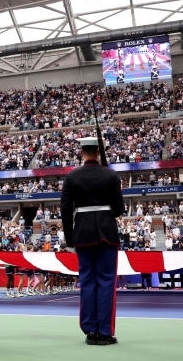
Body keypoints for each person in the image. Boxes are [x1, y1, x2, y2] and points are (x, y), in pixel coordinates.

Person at [61, 137, 125, 346]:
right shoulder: (111, 175)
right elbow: (119, 209)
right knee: (106, 281)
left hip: (82, 234)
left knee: (87, 281)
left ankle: (90, 330)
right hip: (106, 231)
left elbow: (66, 210)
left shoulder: (71, 177)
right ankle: (105, 332)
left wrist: (70, 239)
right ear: (98, 152)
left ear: (82, 152)